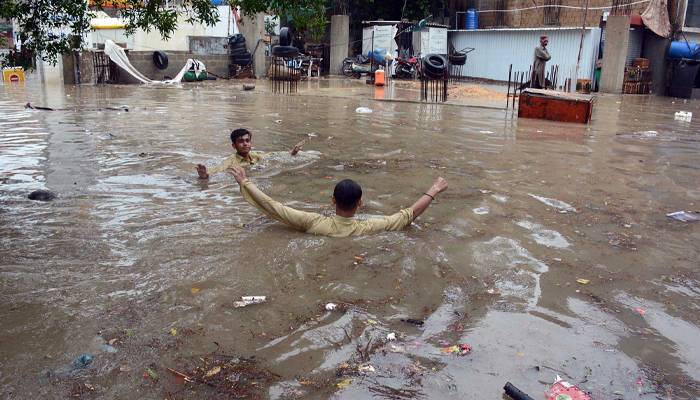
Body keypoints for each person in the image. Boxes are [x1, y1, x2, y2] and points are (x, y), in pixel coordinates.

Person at [228, 165, 448, 237]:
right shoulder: (370, 227)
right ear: (360, 203)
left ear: (332, 200)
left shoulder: (313, 222)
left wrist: (246, 183)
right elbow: (409, 213)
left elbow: (273, 207)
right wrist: (434, 189)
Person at [196, 128, 306, 179]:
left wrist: (293, 152)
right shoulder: (231, 161)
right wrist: (205, 175)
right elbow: (219, 168)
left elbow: (274, 155)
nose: (245, 144)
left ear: (250, 143)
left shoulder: (255, 156)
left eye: (247, 141)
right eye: (240, 141)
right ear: (234, 146)